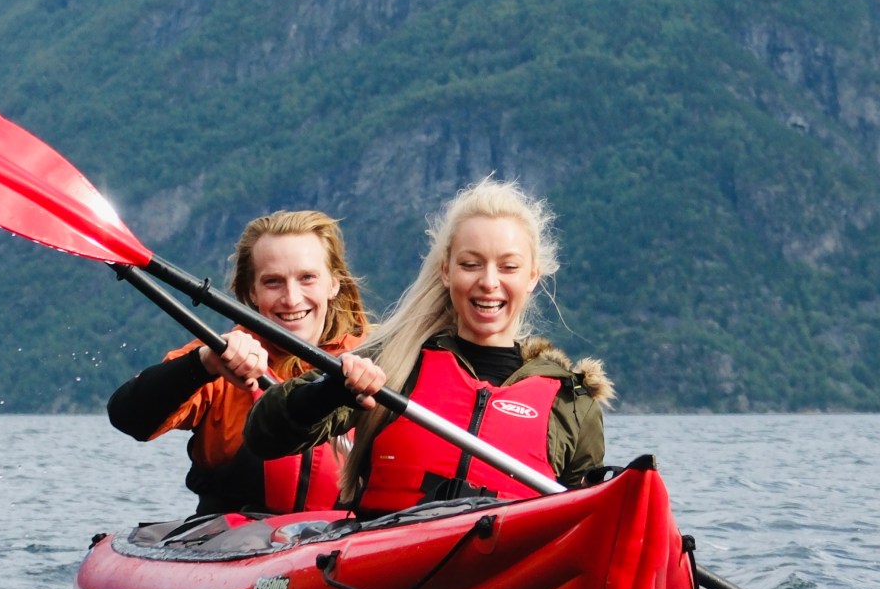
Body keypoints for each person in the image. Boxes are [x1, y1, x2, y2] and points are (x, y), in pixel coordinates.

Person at [243, 178, 610, 515]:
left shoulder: (571, 402)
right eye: (471, 264)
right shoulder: (391, 362)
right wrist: (331, 390)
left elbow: (587, 521)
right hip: (383, 569)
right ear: (447, 271)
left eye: (508, 267)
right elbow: (265, 436)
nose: (488, 282)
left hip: (503, 571)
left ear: (532, 277)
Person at [104, 210, 368, 515]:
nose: (292, 298)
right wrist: (204, 364)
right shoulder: (219, 357)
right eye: (273, 282)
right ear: (251, 292)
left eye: (307, 278)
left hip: (346, 543)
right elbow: (129, 417)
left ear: (333, 284)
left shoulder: (374, 359)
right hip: (233, 543)